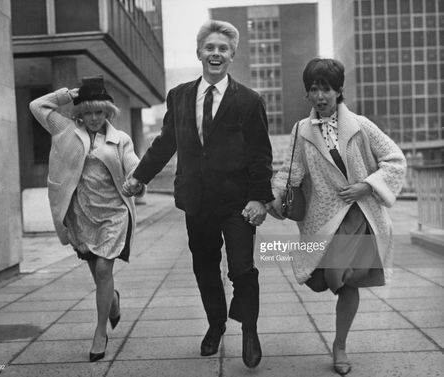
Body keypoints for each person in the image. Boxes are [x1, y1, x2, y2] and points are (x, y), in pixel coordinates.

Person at [124, 20, 274, 368]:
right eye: (210, 47)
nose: (216, 54)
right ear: (199, 53)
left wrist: (258, 198)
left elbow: (260, 155)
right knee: (205, 268)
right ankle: (216, 325)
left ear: (232, 56)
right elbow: (165, 144)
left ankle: (249, 329)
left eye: (223, 48)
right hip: (197, 202)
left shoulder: (249, 101)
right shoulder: (179, 96)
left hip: (237, 203)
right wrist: (139, 177)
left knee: (242, 269)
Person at [270, 58, 406, 375]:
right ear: (307, 94)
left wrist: (367, 186)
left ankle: (339, 345)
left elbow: (395, 160)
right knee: (325, 279)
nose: (320, 96)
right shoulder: (301, 130)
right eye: (314, 89)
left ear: (339, 90)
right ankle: (340, 342)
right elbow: (291, 172)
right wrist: (272, 199)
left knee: (345, 280)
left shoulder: (361, 125)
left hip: (359, 214)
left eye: (326, 89)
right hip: (324, 216)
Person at [29, 76, 144, 362]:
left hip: (113, 214)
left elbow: (135, 168)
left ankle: (100, 331)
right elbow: (37, 106)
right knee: (97, 271)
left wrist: (137, 182)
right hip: (81, 214)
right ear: (80, 112)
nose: (94, 118)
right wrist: (68, 95)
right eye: (89, 111)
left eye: (100, 111)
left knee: (104, 270)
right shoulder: (63, 129)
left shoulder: (120, 139)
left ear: (108, 112)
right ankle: (112, 300)